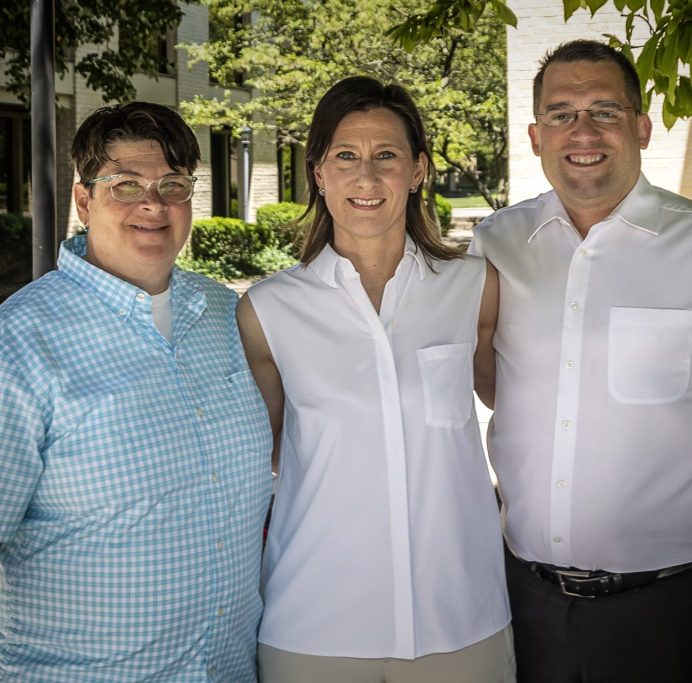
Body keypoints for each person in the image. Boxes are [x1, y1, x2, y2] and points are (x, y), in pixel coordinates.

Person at [469, 40, 692, 683]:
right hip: (523, 601)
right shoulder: (496, 244)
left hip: (677, 610)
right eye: (561, 113)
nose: (582, 131)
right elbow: (497, 384)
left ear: (640, 126)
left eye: (604, 110)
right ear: (534, 134)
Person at [0, 102, 273, 683]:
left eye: (172, 185)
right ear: (84, 201)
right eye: (126, 184)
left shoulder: (230, 316)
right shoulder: (14, 346)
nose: (153, 204)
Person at [236, 76, 514, 683]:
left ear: (417, 170)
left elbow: (518, 411)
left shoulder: (475, 288)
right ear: (318, 173)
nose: (367, 177)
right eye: (346, 156)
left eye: (386, 155)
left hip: (461, 617)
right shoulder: (267, 311)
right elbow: (268, 454)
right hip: (314, 623)